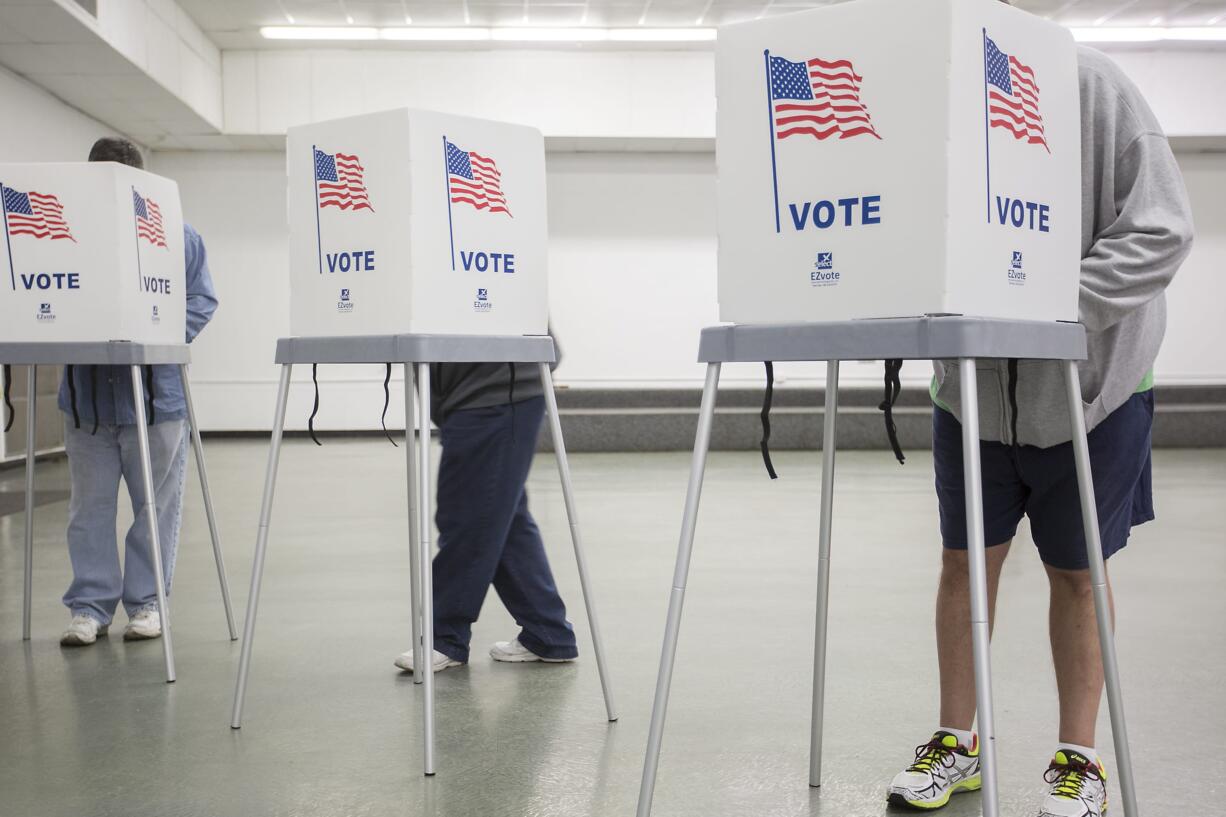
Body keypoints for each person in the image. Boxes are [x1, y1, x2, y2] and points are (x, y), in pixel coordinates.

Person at [886, 21, 1194, 817]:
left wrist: (1054, 306)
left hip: (1093, 393)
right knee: (964, 564)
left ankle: (1078, 760)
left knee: (1079, 575)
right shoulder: (933, 107)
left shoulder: (1094, 88)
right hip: (973, 395)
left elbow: (1162, 226)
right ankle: (957, 742)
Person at [59, 137, 219, 646]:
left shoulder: (177, 236)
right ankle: (90, 608)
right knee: (89, 509)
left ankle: (147, 603)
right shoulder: (65, 237)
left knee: (156, 508)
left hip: (156, 403)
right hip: (88, 406)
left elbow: (201, 300)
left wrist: (150, 334)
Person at [394, 354, 579, 672]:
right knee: (503, 520)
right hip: (481, 403)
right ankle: (548, 633)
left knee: (467, 519)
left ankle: (445, 637)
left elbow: (549, 347)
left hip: (494, 403)